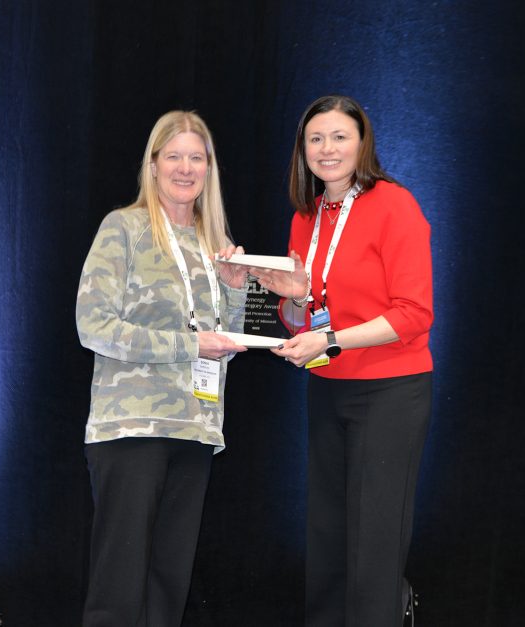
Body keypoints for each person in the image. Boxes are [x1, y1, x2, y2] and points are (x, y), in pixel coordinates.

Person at [251, 95, 434, 627]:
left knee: (375, 538)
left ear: (362, 143)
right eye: (316, 138)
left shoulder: (394, 204)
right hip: (328, 386)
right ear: (302, 150)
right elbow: (298, 317)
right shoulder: (305, 216)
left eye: (339, 137)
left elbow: (414, 314)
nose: (327, 149)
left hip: (391, 389)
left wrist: (329, 342)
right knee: (328, 532)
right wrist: (289, 298)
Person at [76, 110, 249, 627]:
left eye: (197, 157)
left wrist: (237, 289)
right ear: (153, 166)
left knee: (166, 590)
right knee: (119, 590)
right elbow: (94, 325)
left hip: (194, 428)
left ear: (209, 169)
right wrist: (188, 344)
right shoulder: (124, 227)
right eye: (173, 156)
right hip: (130, 428)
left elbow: (224, 338)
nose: (185, 167)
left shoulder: (212, 243)